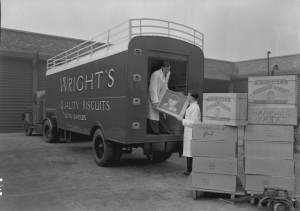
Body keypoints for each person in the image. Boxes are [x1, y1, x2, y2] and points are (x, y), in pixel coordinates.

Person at [177, 91, 201, 175]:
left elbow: (193, 122)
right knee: (189, 151)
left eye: (189, 96)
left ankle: (191, 170)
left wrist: (182, 120)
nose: (187, 97)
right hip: (188, 131)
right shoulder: (192, 106)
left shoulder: (195, 108)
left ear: (193, 98)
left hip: (191, 131)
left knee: (190, 151)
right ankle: (189, 170)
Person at [147, 61, 173, 135]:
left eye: (168, 69)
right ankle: (155, 131)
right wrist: (154, 100)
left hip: (161, 95)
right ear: (162, 67)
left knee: (161, 113)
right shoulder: (155, 74)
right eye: (166, 69)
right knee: (153, 114)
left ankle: (164, 130)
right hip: (154, 96)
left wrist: (168, 94)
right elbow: (153, 87)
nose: (167, 71)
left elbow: (165, 84)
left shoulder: (168, 73)